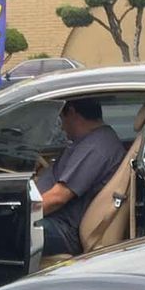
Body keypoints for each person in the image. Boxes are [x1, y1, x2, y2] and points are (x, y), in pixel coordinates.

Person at [36, 97, 126, 257]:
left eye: (61, 118)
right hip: (57, 221)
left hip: (62, 228)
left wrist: (20, 212)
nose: (62, 127)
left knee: (3, 227)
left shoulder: (95, 147)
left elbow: (58, 198)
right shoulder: (90, 141)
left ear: (71, 112)